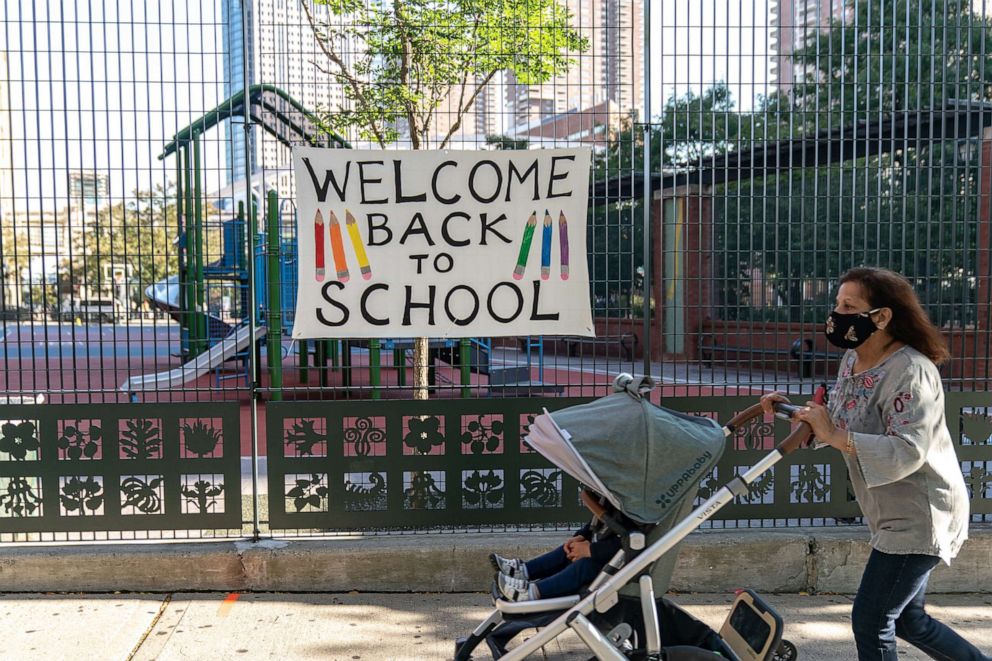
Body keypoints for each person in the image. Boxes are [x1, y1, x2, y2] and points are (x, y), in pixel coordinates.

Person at [761, 266, 989, 661]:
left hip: (921, 512)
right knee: (909, 620)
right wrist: (796, 413)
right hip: (892, 510)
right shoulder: (853, 359)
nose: (837, 313)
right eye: (837, 303)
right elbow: (841, 419)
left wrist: (833, 434)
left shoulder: (912, 371)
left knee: (872, 618)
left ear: (882, 317)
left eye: (849, 305)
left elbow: (907, 450)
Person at [489, 498, 623, 602]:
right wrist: (583, 535)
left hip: (619, 564)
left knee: (584, 566)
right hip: (605, 550)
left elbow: (629, 542)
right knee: (566, 551)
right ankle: (523, 571)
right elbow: (602, 518)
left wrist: (591, 550)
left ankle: (531, 592)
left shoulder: (638, 508)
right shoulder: (622, 498)